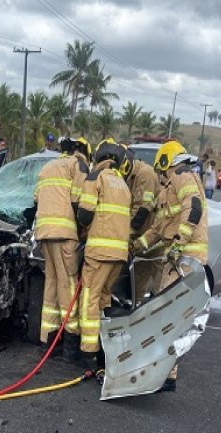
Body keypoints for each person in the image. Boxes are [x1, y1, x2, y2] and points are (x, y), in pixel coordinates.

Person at [131, 140, 208, 392]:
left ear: (166, 162)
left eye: (161, 170)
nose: (161, 175)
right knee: (167, 313)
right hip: (176, 255)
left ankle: (165, 374)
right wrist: (137, 245)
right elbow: (158, 227)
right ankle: (166, 373)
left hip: (183, 256)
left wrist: (179, 243)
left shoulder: (182, 175)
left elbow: (193, 208)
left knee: (170, 315)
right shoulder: (170, 186)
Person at [72, 139, 132, 377]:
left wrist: (81, 227)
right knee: (104, 300)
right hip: (118, 255)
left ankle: (88, 353)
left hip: (99, 252)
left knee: (89, 299)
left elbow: (85, 213)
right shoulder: (122, 184)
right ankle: (105, 351)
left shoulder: (95, 177)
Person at [33, 137, 91, 358]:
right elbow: (79, 202)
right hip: (65, 234)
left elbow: (36, 200)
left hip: (44, 233)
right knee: (67, 284)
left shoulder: (48, 167)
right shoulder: (78, 165)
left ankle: (47, 339)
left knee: (52, 282)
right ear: (82, 151)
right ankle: (69, 344)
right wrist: (82, 230)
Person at [126, 147, 162, 300]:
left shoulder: (145, 175)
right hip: (142, 242)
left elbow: (142, 210)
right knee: (136, 287)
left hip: (156, 240)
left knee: (161, 288)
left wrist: (126, 234)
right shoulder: (128, 177)